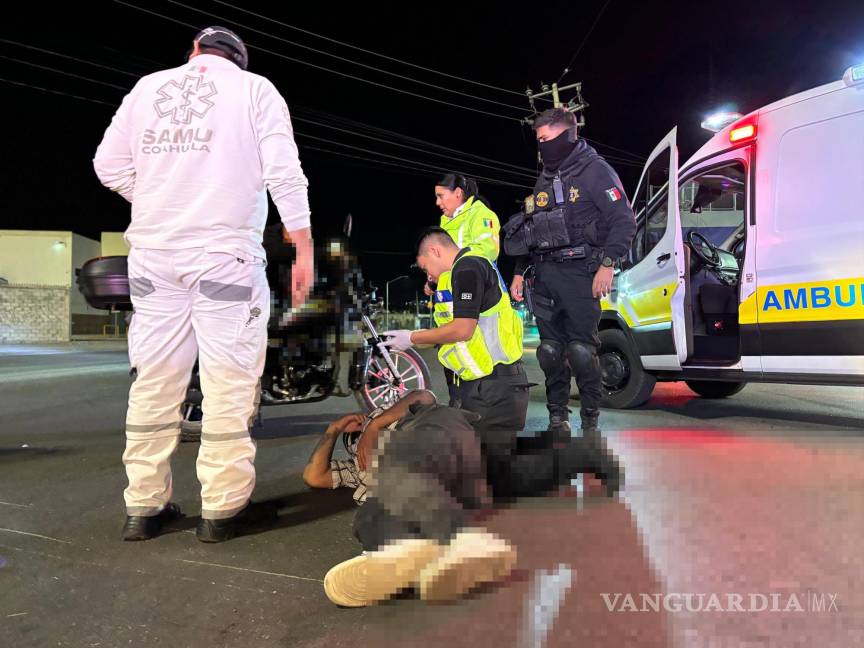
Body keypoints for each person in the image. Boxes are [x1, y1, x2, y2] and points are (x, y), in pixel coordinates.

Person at [93, 26, 314, 543]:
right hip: (224, 257)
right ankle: (223, 509)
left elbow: (107, 166)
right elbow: (285, 172)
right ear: (239, 60)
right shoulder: (255, 89)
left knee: (154, 383)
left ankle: (143, 507)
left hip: (153, 257)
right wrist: (303, 249)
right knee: (228, 385)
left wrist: (158, 196)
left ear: (192, 52)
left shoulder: (148, 87)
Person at [379, 228, 622, 501]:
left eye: (426, 268)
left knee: (484, 481)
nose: (429, 276)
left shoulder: (468, 268)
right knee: (483, 475)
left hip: (495, 391)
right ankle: (566, 459)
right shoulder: (465, 270)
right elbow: (452, 332)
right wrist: (404, 336)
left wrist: (410, 337)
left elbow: (463, 330)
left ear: (435, 251)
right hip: (489, 390)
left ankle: (583, 459)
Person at [303, 390, 517, 607]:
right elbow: (314, 476)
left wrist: (374, 425)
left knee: (430, 435)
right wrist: (333, 429)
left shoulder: (404, 421)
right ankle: (419, 556)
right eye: (355, 441)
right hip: (442, 499)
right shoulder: (360, 471)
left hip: (446, 450)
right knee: (370, 514)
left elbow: (424, 396)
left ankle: (442, 546)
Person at [506, 108, 636, 442]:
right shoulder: (545, 178)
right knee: (550, 351)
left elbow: (624, 220)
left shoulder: (595, 171)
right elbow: (534, 229)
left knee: (580, 351)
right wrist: (520, 272)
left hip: (581, 273)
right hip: (546, 274)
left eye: (545, 139)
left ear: (566, 135)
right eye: (538, 141)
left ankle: (590, 420)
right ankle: (557, 418)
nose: (541, 148)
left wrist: (607, 264)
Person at [431, 173, 501, 405]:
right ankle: (457, 410)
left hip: (474, 306)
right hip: (447, 305)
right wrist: (432, 279)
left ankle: (479, 416)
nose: (438, 202)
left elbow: (486, 251)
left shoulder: (482, 215)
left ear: (458, 194)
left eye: (441, 196)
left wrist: (449, 262)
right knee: (453, 363)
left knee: (478, 363)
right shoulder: (444, 224)